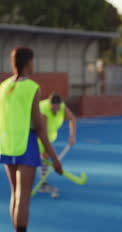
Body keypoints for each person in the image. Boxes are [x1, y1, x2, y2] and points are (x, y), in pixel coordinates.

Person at [0, 47, 63, 232]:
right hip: (26, 145)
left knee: (15, 193)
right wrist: (55, 158)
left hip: (6, 144)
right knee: (23, 196)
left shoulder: (3, 87)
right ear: (28, 63)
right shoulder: (32, 88)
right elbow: (40, 126)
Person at [37, 93, 77, 196]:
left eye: (57, 108)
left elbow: (72, 119)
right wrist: (55, 159)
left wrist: (72, 136)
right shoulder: (43, 110)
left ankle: (42, 183)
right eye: (53, 108)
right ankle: (41, 184)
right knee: (43, 154)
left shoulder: (62, 107)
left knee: (44, 156)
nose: (56, 110)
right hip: (37, 133)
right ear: (50, 104)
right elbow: (43, 135)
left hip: (50, 133)